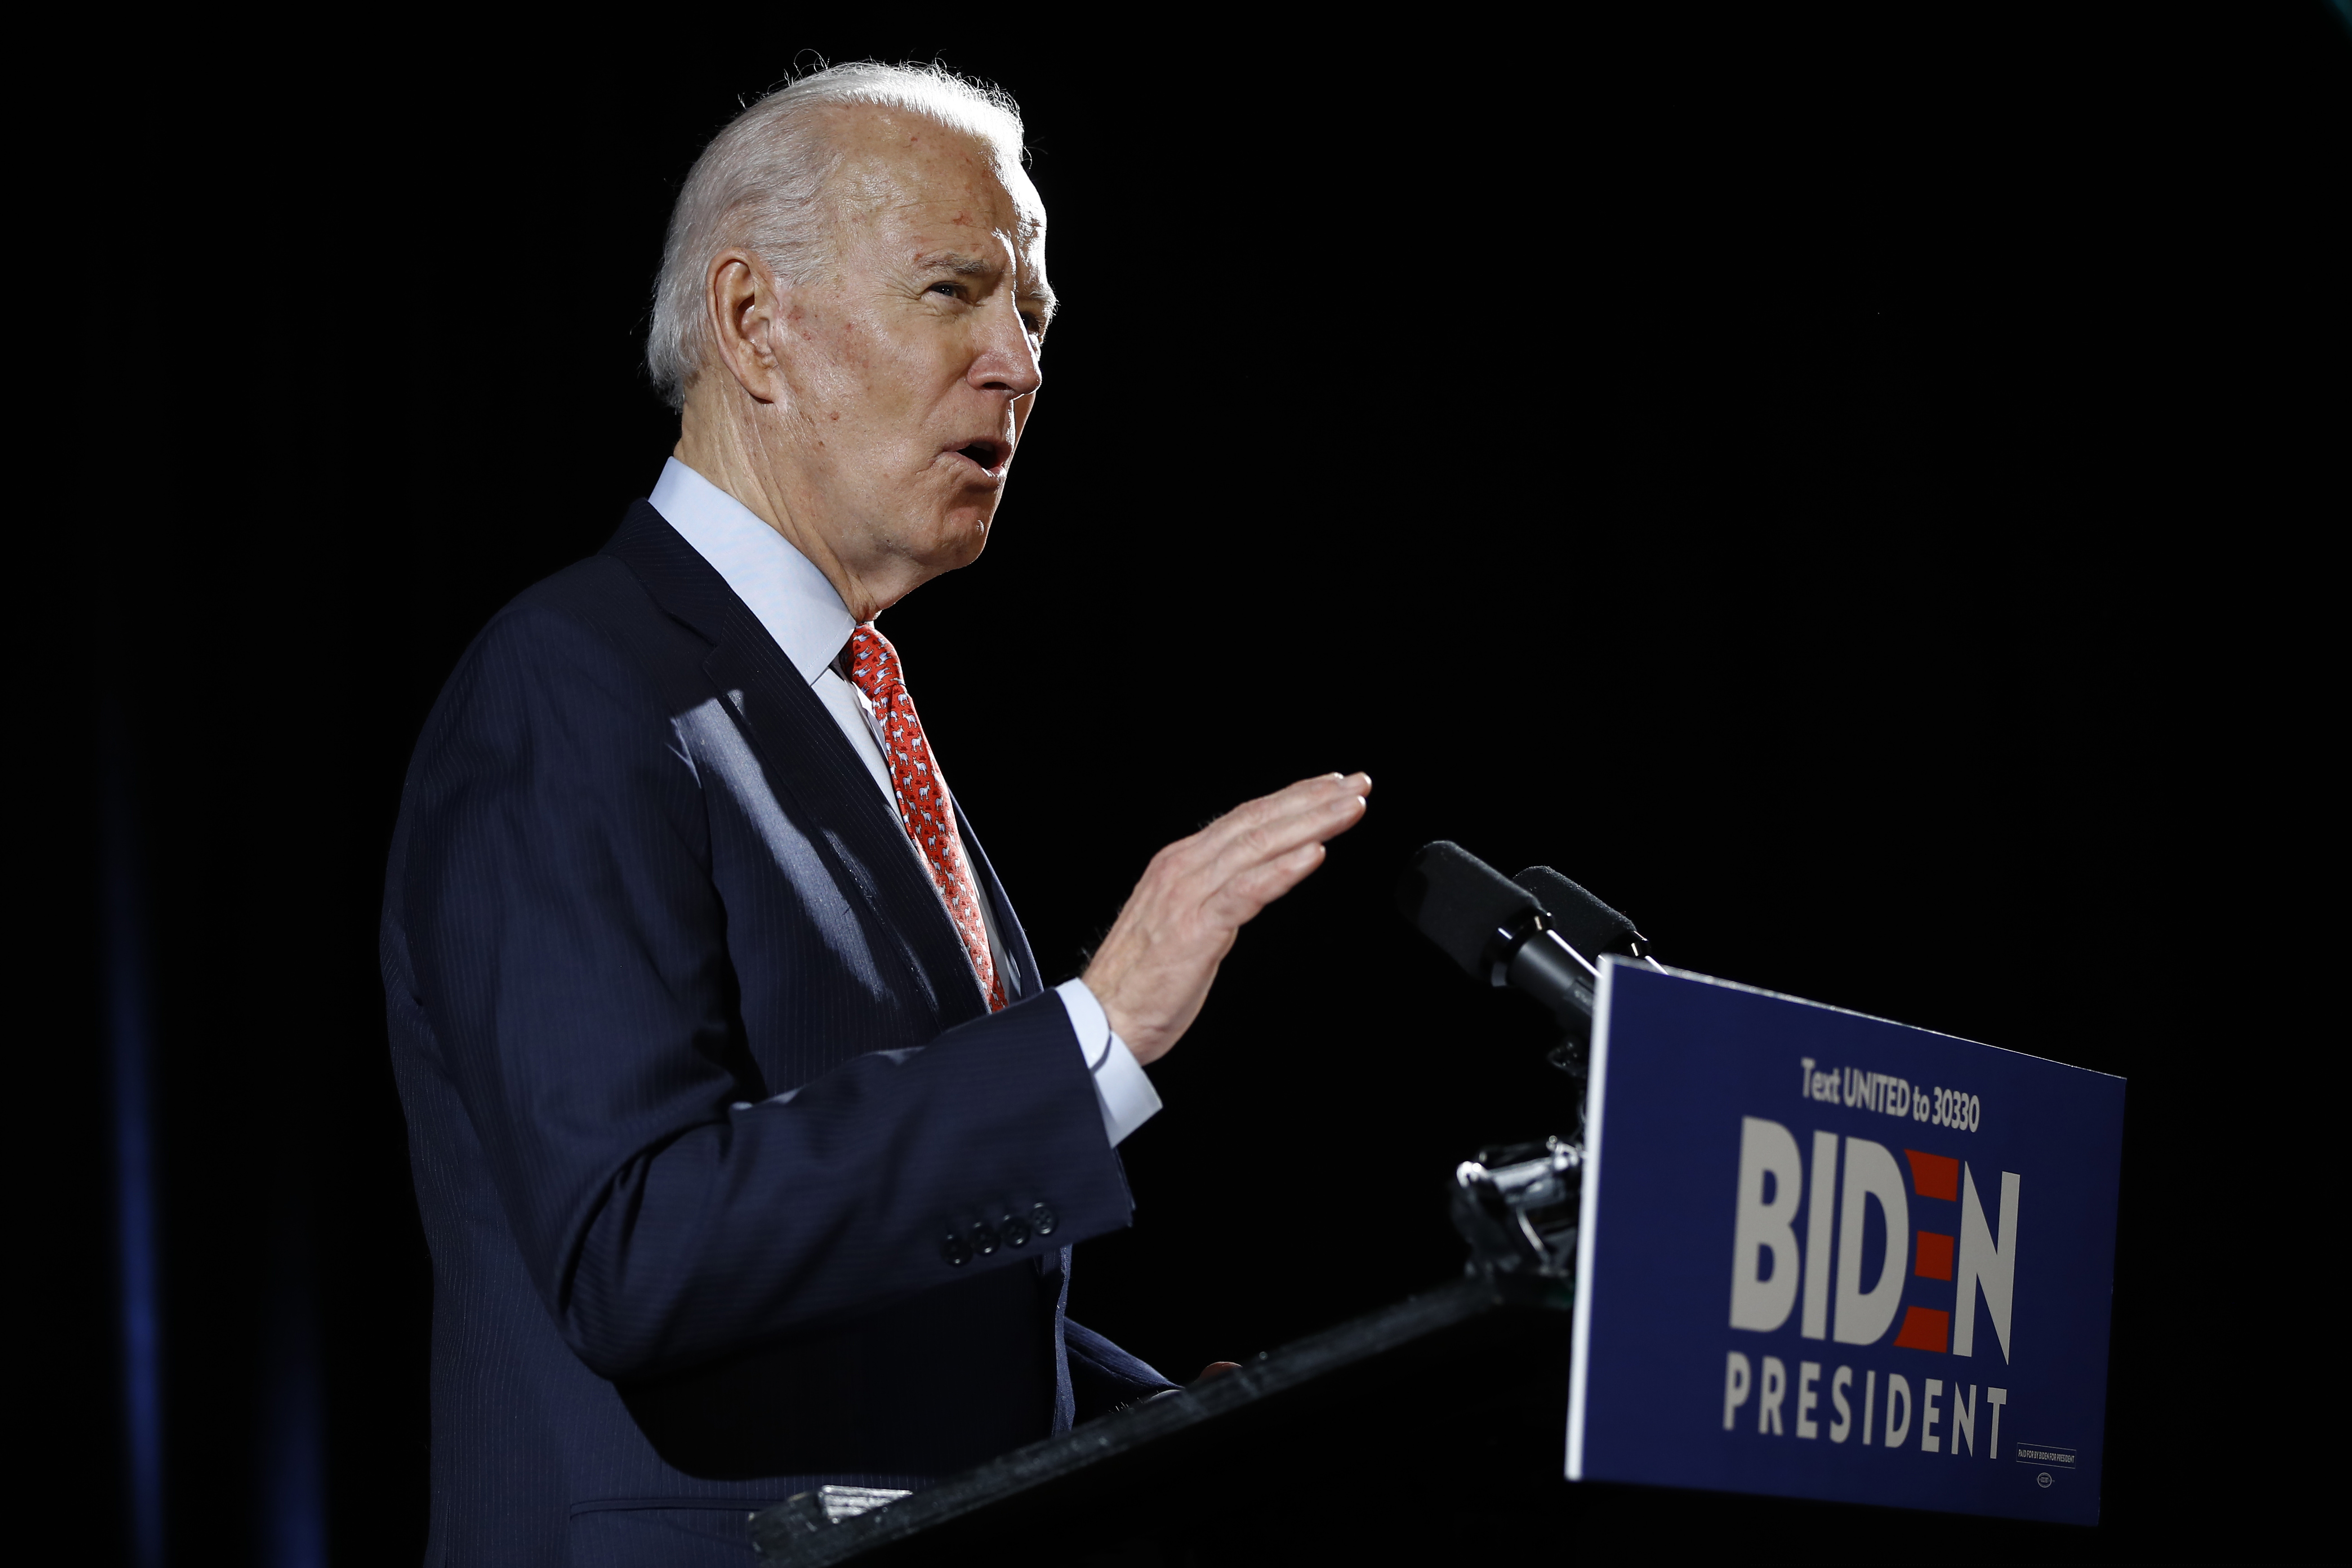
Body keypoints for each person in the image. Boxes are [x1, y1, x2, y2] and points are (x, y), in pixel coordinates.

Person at [380, 62, 1372, 1565]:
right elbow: (636, 1249)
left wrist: (1167, 1424)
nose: (1017, 364)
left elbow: (878, 1303)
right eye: (953, 292)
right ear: (752, 324)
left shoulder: (845, 708)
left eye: (1032, 312)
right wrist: (1095, 1034)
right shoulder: (573, 688)